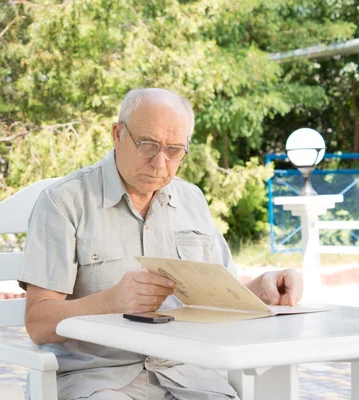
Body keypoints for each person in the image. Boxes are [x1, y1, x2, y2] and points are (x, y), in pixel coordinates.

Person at [18, 88, 303, 400]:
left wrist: (263, 287)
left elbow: (221, 299)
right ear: (118, 134)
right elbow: (37, 322)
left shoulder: (191, 199)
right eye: (148, 145)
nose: (159, 163)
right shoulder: (64, 202)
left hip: (184, 375)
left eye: (174, 151)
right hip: (97, 379)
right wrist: (111, 302)